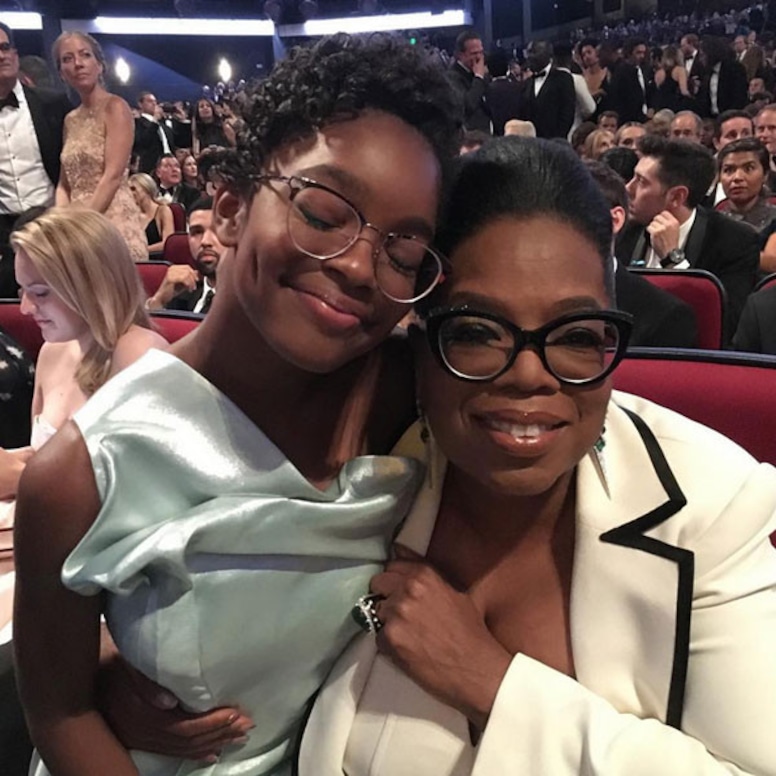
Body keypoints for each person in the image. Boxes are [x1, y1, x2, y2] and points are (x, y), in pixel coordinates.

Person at [14, 33, 461, 776]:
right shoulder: (81, 473)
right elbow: (60, 713)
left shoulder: (414, 399)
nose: (360, 267)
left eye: (404, 254)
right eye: (324, 214)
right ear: (228, 209)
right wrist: (108, 665)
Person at [295, 136, 776, 775]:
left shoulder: (714, 505)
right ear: (419, 340)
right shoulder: (352, 479)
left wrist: (491, 683)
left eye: (576, 335)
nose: (529, 375)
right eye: (476, 332)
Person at [617, 135, 759, 338]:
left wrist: (673, 261)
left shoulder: (735, 241)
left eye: (641, 182)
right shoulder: (624, 230)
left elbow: (726, 325)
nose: (628, 188)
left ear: (677, 196)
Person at [53, 31, 147, 263]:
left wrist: (84, 225)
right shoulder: (70, 119)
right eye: (67, 59)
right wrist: (62, 222)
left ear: (100, 65)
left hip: (112, 221)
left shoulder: (116, 107)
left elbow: (113, 176)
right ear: (61, 73)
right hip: (76, 226)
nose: (78, 63)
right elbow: (64, 184)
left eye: (85, 55)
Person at [0, 21, 71, 298]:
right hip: (4, 237)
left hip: (53, 225)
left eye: (5, 47)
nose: (1, 55)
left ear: (15, 54)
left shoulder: (54, 103)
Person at [145, 197, 223, 313]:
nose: (205, 241)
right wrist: (158, 301)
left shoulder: (251, 301)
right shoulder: (182, 293)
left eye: (216, 231)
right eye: (197, 232)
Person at [716, 137, 776, 235]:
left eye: (749, 168)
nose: (737, 177)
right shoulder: (709, 224)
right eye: (729, 170)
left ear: (765, 175)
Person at [449, 29, 491, 133]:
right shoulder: (452, 76)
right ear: (461, 55)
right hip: (470, 135)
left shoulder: (482, 74)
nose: (479, 57)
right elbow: (467, 106)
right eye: (474, 53)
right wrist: (478, 77)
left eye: (481, 52)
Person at [128, 172, 175, 256]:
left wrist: (142, 250)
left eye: (133, 189)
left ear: (146, 188)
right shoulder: (131, 214)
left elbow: (168, 243)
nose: (130, 193)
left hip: (156, 259)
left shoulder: (163, 211)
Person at [132, 91, 175, 175]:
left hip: (170, 162)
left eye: (155, 101)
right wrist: (154, 121)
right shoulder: (137, 123)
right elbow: (142, 142)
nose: (154, 104)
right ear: (140, 104)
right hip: (151, 166)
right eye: (150, 101)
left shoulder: (163, 126)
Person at [652, 45, 695, 114]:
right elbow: (684, 91)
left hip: (660, 106)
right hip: (675, 106)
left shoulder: (658, 72)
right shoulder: (680, 70)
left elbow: (657, 91)